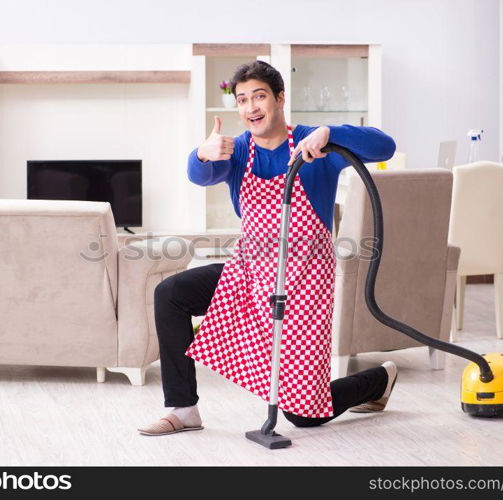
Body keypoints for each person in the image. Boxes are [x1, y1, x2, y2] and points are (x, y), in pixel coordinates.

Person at [139, 61, 398, 436]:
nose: (250, 108)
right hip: (249, 274)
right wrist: (203, 153)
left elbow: (384, 146)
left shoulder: (315, 144)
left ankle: (378, 380)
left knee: (303, 415)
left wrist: (330, 132)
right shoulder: (237, 150)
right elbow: (199, 176)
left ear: (279, 99)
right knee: (171, 294)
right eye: (241, 100)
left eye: (259, 96)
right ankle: (184, 409)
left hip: (304, 284)